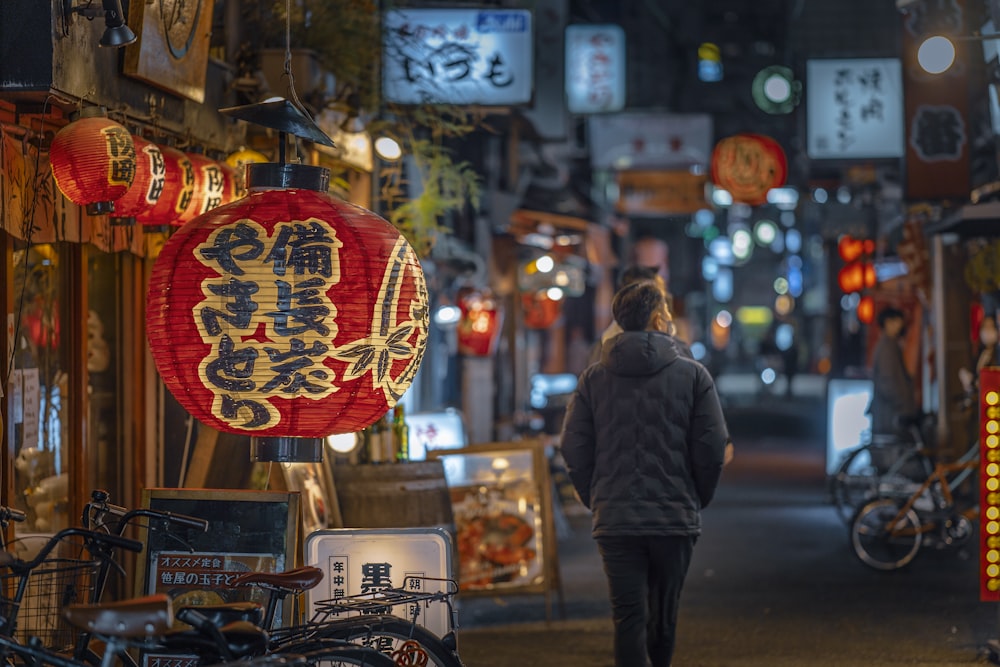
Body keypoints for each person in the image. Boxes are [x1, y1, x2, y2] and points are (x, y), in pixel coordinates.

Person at [559, 280, 729, 667]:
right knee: (663, 619)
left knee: (628, 619)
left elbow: (573, 446)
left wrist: (596, 496)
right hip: (674, 520)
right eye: (667, 314)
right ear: (658, 320)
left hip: (616, 519)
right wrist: (695, 495)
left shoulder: (593, 378)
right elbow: (712, 447)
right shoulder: (694, 376)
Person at [587, 265, 692, 367]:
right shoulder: (603, 352)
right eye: (654, 298)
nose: (664, 305)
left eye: (663, 296)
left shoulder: (603, 350)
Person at [869, 306, 918, 439]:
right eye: (897, 321)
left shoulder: (888, 344)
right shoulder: (887, 346)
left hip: (890, 412)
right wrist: (902, 402)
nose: (900, 325)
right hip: (891, 414)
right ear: (887, 322)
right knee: (893, 453)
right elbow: (887, 381)